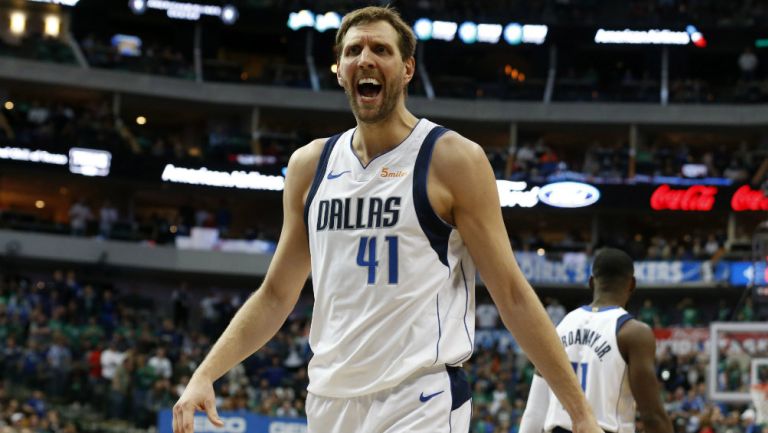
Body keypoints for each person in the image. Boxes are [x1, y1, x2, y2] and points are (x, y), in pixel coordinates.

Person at [173, 6, 602, 433]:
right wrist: (205, 373)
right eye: (354, 50)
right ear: (339, 70)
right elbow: (274, 296)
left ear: (407, 68)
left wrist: (580, 413)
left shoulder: (452, 159)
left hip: (420, 397)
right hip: (328, 400)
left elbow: (510, 292)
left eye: (381, 49)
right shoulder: (309, 166)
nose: (366, 59)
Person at [519, 248, 673, 433]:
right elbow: (652, 416)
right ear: (631, 284)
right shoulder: (634, 333)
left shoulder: (560, 326)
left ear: (591, 282)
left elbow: (535, 411)